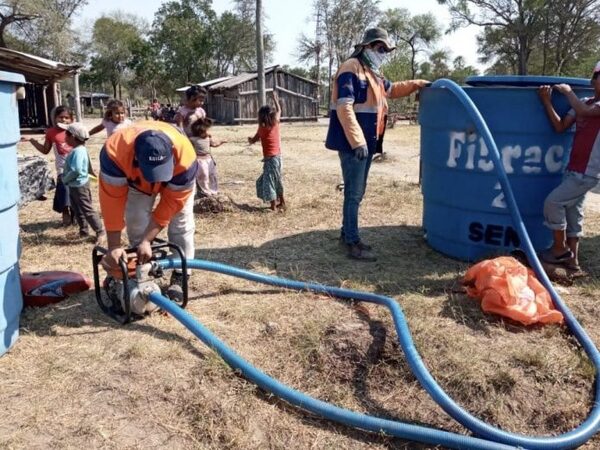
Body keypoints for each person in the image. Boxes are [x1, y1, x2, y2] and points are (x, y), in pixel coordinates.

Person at [325, 27, 430, 261]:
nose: (383, 53)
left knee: (357, 192)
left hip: (366, 144)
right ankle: (351, 241)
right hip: (354, 145)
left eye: (386, 50)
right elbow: (344, 106)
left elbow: (391, 90)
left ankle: (347, 234)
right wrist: (357, 141)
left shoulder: (372, 72)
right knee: (354, 193)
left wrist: (418, 83)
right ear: (366, 47)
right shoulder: (350, 68)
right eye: (380, 48)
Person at [98, 120, 199, 297]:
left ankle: (180, 274)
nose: (156, 179)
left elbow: (171, 205)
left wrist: (148, 239)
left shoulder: (186, 158)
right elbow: (111, 202)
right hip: (136, 183)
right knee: (135, 219)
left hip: (176, 181)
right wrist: (114, 246)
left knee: (181, 225)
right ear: (136, 157)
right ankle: (141, 269)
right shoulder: (114, 153)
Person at [537, 61, 600, 272]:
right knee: (574, 214)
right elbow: (560, 127)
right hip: (574, 169)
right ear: (593, 80)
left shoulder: (587, 105)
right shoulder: (584, 101)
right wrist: (547, 101)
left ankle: (558, 250)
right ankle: (573, 264)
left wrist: (568, 92)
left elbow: (583, 110)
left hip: (588, 172)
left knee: (553, 203)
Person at [25, 105, 75, 226]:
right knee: (63, 191)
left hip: (76, 168)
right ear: (55, 118)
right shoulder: (51, 133)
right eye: (60, 117)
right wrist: (33, 141)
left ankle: (76, 217)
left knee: (76, 193)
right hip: (62, 168)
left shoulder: (75, 130)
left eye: (66, 118)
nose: (63, 120)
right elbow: (45, 150)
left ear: (71, 119)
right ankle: (65, 214)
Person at [61, 122, 106, 244]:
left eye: (66, 135)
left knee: (86, 209)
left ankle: (100, 231)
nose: (64, 137)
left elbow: (76, 170)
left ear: (73, 137)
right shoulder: (79, 149)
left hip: (79, 185)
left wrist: (64, 179)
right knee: (76, 208)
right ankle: (83, 231)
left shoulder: (78, 151)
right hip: (74, 185)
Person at [248, 90, 285, 211]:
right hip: (278, 157)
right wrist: (275, 99)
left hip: (270, 159)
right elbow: (279, 110)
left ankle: (273, 205)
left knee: (269, 181)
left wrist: (250, 140)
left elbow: (253, 140)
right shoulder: (275, 123)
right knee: (276, 179)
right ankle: (282, 202)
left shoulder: (261, 129)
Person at [189, 117, 227, 197]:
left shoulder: (208, 138)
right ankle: (204, 191)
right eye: (207, 130)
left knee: (212, 175)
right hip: (200, 160)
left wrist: (221, 142)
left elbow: (214, 144)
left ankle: (214, 190)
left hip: (209, 159)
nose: (209, 132)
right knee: (203, 176)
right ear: (200, 131)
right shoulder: (193, 139)